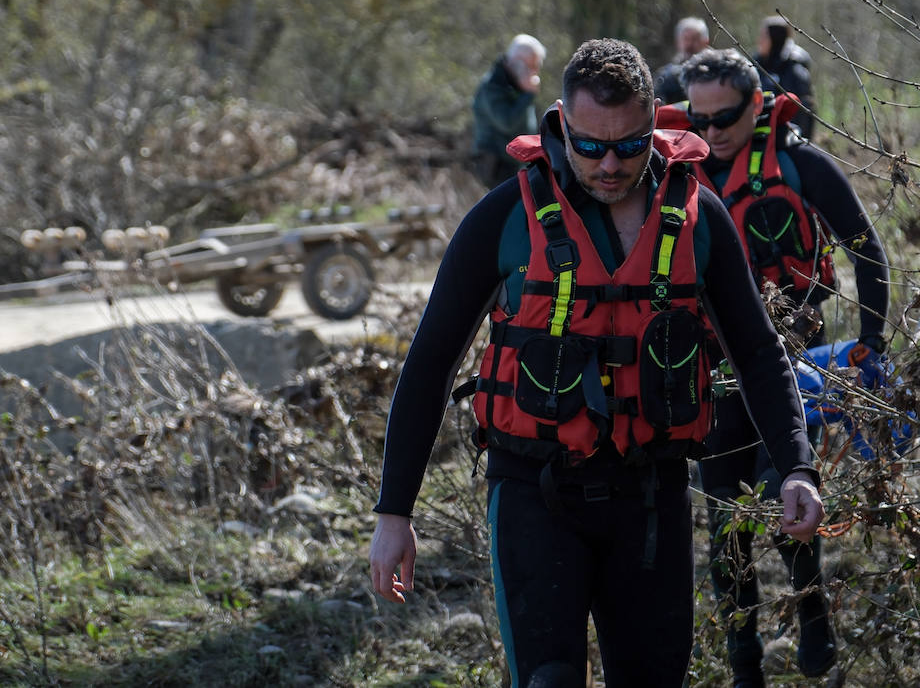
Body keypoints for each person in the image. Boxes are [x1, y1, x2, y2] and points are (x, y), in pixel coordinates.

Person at [370, 38, 825, 688]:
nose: (609, 163)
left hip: (649, 496)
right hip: (534, 491)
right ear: (560, 121)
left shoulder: (698, 218)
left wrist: (795, 464)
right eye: (589, 145)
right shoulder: (504, 218)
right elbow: (430, 364)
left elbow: (756, 351)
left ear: (653, 124)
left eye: (628, 144)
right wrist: (395, 513)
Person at [662, 47, 891, 686]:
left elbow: (866, 249)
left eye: (724, 116)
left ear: (756, 104)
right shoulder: (672, 175)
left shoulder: (799, 164)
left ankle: (813, 620)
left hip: (793, 363)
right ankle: (745, 665)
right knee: (725, 524)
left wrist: (871, 339)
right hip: (711, 369)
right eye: (697, 118)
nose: (710, 132)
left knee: (785, 496)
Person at [471, 34, 547, 188]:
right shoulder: (493, 85)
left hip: (514, 164)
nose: (534, 73)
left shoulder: (515, 83)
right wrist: (528, 95)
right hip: (496, 166)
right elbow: (507, 122)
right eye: (532, 67)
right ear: (518, 62)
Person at [755, 15, 814, 138]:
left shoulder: (795, 71)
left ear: (775, 38)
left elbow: (804, 113)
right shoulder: (757, 65)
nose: (759, 41)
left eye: (764, 36)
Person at [653, 16, 710, 105]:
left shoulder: (717, 72)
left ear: (705, 42)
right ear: (678, 41)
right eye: (686, 39)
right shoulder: (666, 76)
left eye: (695, 39)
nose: (689, 44)